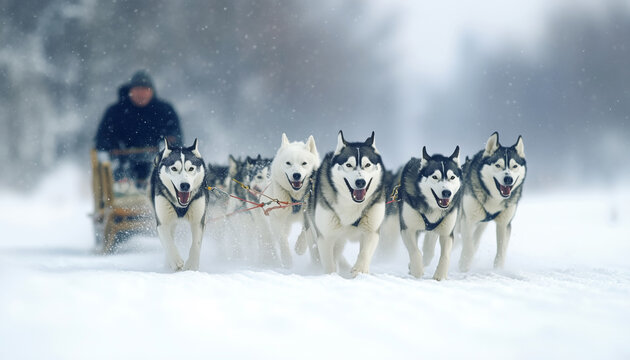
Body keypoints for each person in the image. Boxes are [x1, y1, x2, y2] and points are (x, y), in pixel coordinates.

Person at [95, 70, 183, 187]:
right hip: (121, 165)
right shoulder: (115, 112)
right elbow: (102, 139)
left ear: (152, 91)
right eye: (137, 90)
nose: (141, 94)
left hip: (158, 164)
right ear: (130, 91)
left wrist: (167, 143)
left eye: (145, 90)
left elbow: (176, 135)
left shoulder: (165, 110)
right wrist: (113, 147)